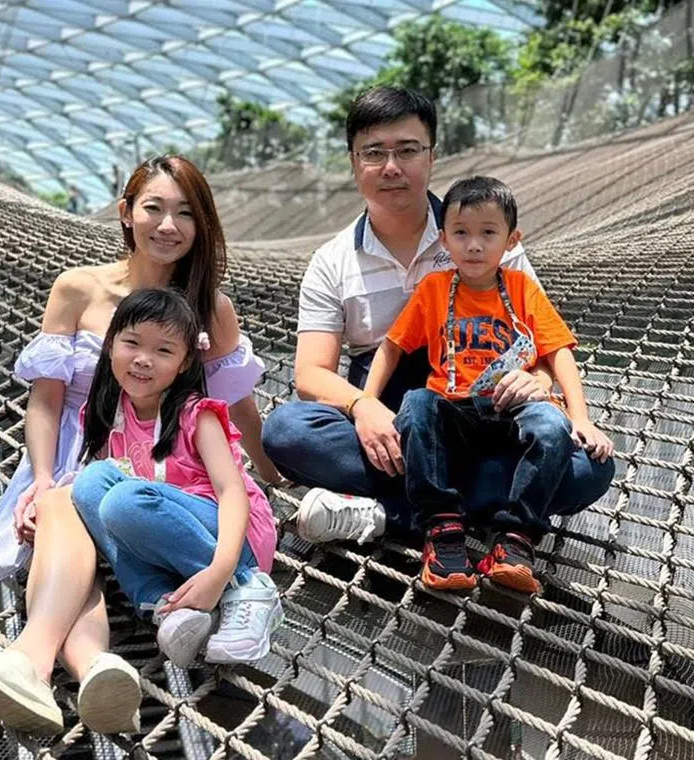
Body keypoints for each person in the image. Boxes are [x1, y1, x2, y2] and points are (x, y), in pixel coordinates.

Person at [0, 156, 280, 737]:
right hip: (71, 452)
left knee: (73, 504)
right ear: (126, 213)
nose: (168, 225)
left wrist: (269, 467)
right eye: (154, 207)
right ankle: (94, 669)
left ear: (203, 225)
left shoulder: (210, 307)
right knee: (60, 500)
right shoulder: (78, 288)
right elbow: (46, 401)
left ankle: (30, 663)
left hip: (162, 465)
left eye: (186, 213)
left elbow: (235, 404)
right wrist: (37, 478)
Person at [261, 86, 614, 547]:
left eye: (408, 150)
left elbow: (540, 339)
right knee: (287, 430)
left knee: (591, 467)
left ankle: (389, 514)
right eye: (374, 153)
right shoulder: (333, 261)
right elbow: (311, 372)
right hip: (392, 424)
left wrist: (541, 382)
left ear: (431, 156)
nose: (392, 167)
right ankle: (469, 510)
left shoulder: (481, 233)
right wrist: (363, 407)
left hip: (487, 411)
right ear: (353, 162)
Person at [365, 176, 613, 594]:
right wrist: (368, 403)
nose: (474, 245)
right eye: (461, 233)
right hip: (454, 412)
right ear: (444, 239)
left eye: (488, 233)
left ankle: (514, 540)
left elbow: (559, 352)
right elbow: (391, 347)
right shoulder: (434, 289)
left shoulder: (521, 289)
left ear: (512, 239)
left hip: (511, 409)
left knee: (555, 429)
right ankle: (443, 530)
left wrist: (580, 418)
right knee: (417, 403)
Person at [70, 288, 281, 672]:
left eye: (164, 351)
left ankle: (247, 588)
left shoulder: (196, 415)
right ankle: (166, 604)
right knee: (88, 484)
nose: (143, 360)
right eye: (131, 343)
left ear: (185, 363)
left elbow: (232, 492)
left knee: (123, 502)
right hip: (171, 550)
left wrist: (222, 571)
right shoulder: (105, 415)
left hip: (232, 540)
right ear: (111, 344)